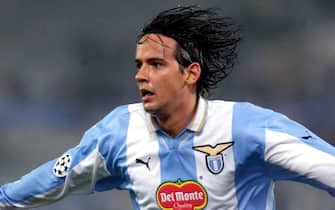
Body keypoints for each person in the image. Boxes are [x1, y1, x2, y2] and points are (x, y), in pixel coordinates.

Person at [1, 5, 335, 210]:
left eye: (156, 64)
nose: (141, 76)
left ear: (191, 73)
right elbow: (38, 186)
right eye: (139, 64)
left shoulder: (247, 129)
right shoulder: (118, 134)